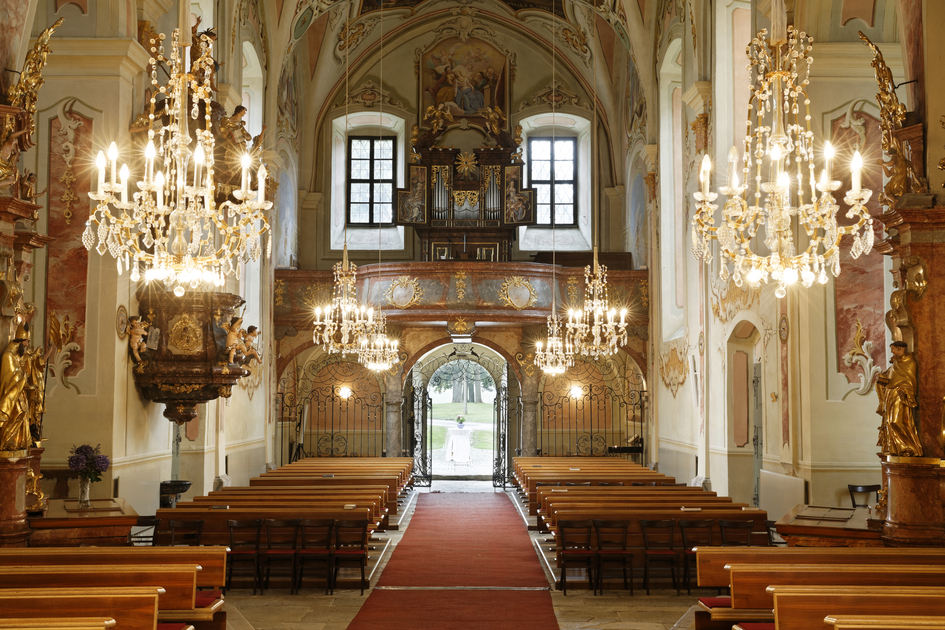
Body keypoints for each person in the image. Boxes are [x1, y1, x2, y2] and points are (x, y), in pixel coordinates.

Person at [875, 340, 924, 457]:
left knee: (896, 421)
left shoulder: (910, 362)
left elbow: (910, 380)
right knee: (889, 421)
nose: (892, 352)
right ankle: (895, 447)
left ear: (900, 348)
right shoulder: (896, 362)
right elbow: (889, 375)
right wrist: (881, 377)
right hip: (890, 394)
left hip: (900, 394)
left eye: (893, 349)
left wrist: (905, 391)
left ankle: (909, 448)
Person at [0, 331, 31, 451]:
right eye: (27, 341)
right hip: (12, 392)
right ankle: (6, 441)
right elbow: (11, 378)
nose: (28, 344)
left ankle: (12, 442)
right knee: (16, 412)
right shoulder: (8, 355)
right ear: (21, 341)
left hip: (18, 391)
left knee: (21, 413)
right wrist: (23, 376)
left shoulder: (15, 355)